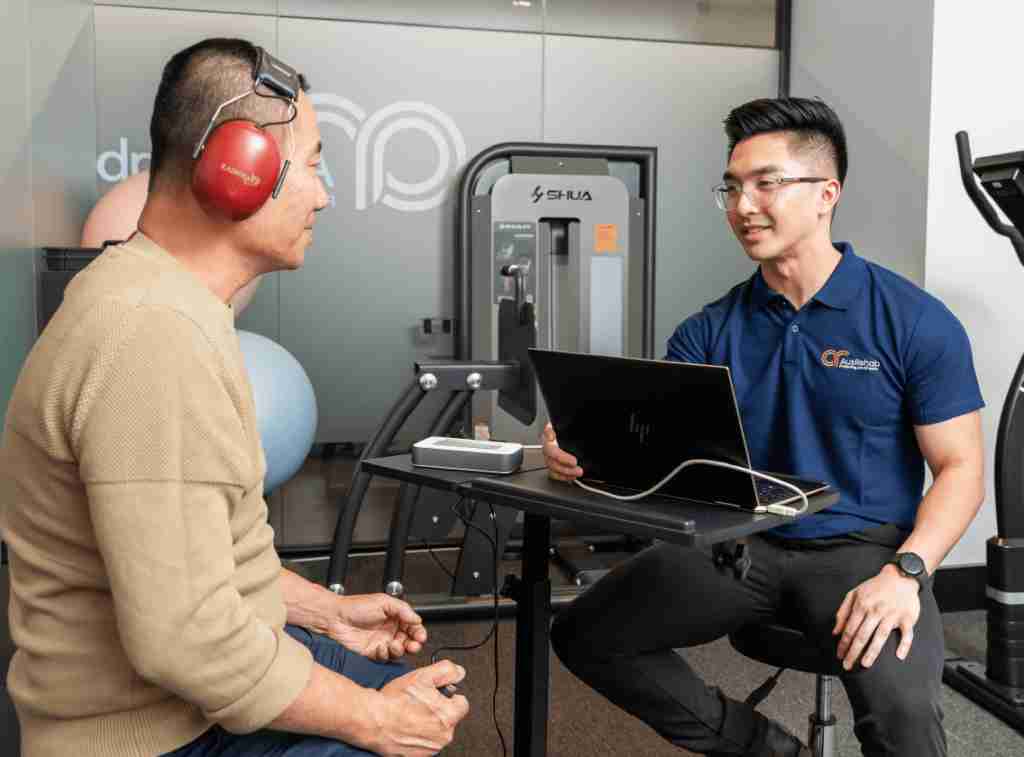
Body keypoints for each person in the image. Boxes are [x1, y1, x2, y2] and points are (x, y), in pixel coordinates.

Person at [0, 38, 468, 757]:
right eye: (311, 165)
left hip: (187, 705)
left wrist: (328, 614)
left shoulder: (162, 300)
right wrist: (373, 721)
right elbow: (187, 637)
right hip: (152, 738)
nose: (324, 195)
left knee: (402, 693)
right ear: (238, 170)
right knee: (395, 727)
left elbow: (204, 560)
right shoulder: (152, 336)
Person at [542, 97, 985, 756]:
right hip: (737, 543)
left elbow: (961, 469)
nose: (742, 205)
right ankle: (766, 749)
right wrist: (579, 445)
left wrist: (907, 572)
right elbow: (652, 446)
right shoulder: (707, 331)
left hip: (864, 552)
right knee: (584, 633)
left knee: (905, 717)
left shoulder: (914, 322)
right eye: (731, 187)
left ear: (826, 194)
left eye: (765, 183)